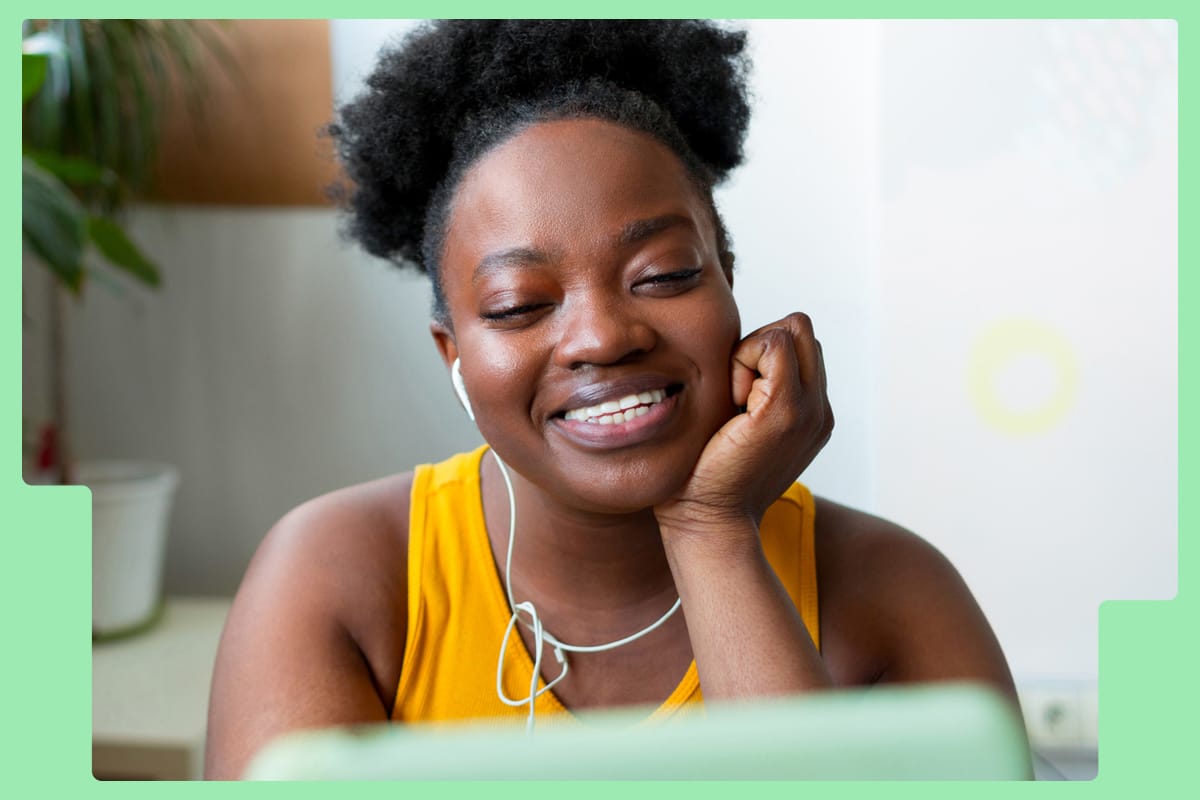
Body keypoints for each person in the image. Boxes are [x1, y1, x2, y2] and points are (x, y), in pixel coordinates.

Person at [204, 19, 1019, 779]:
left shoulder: (893, 591)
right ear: (454, 355)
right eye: (520, 305)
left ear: (727, 282)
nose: (601, 337)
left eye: (662, 275)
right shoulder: (334, 578)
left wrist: (712, 531)